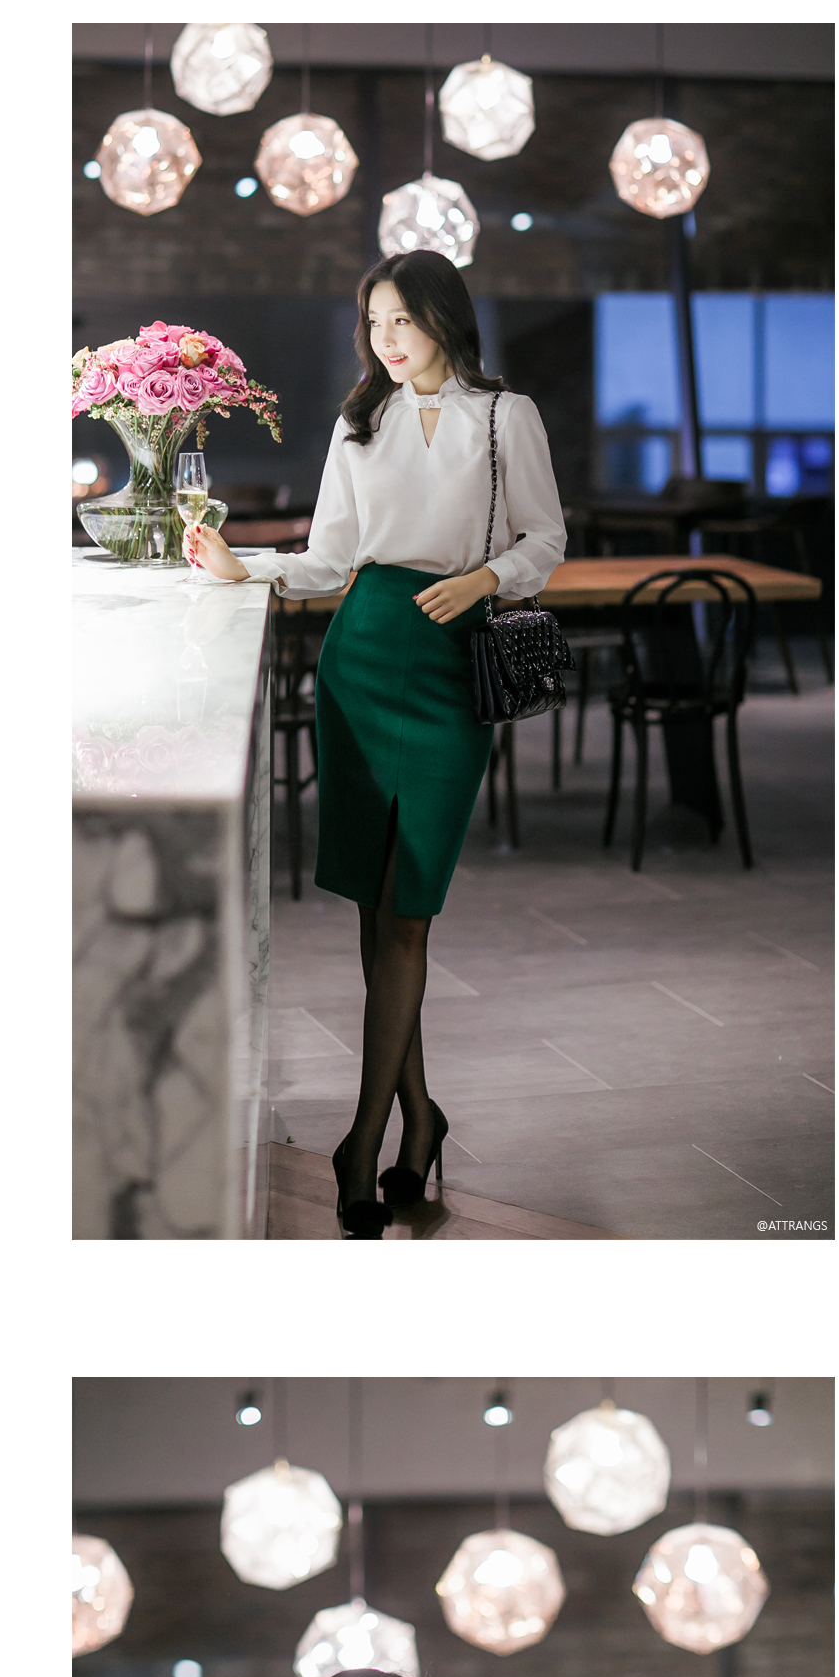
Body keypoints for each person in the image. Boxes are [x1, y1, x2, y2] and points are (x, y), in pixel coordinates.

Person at [291, 260, 565, 1224]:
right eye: (375, 322)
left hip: (451, 663)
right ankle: (411, 1122)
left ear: (444, 319)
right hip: (362, 655)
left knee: (409, 909)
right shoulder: (359, 422)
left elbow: (545, 539)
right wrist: (243, 566)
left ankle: (362, 1140)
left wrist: (487, 580)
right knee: (377, 907)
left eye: (403, 320)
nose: (387, 339)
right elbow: (329, 557)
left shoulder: (506, 417)